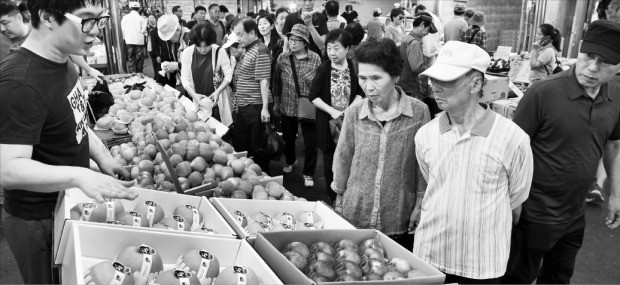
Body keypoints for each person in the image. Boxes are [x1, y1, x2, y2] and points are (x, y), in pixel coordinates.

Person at [0, 1, 138, 283]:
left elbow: (77, 125)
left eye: (100, 21)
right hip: (38, 220)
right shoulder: (20, 82)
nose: (96, 32)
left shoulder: (64, 62)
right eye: (87, 21)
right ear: (48, 18)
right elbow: (8, 169)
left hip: (67, 205)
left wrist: (104, 159)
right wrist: (79, 175)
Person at [501, 20, 620, 284]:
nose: (592, 67)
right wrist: (509, 206)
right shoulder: (542, 94)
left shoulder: (616, 96)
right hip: (533, 213)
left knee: (559, 277)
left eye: (605, 62)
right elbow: (508, 152)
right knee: (517, 278)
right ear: (579, 50)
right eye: (588, 56)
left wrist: (615, 195)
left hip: (574, 215)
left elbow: (613, 144)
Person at [413, 41, 533, 284]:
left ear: (476, 83)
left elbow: (516, 199)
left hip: (482, 263)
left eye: (446, 81)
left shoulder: (512, 138)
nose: (435, 87)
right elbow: (433, 183)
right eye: (433, 79)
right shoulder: (425, 135)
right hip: (430, 256)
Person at [332, 38, 429, 250]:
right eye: (363, 78)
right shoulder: (354, 113)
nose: (368, 86)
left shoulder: (419, 112)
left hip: (398, 214)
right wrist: (338, 201)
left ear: (395, 76)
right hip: (356, 210)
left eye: (376, 77)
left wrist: (420, 202)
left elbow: (423, 165)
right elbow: (343, 157)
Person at [310, 29, 364, 204]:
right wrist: (332, 111)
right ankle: (333, 198)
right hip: (328, 124)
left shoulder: (354, 66)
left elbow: (360, 92)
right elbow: (313, 96)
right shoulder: (324, 68)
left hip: (350, 122)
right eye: (329, 48)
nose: (331, 53)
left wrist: (351, 107)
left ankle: (348, 195)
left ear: (347, 48)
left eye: (336, 48)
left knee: (350, 158)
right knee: (330, 162)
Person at [0, 0, 104, 84]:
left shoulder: (61, 51)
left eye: (99, 19)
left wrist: (89, 70)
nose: (96, 31)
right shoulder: (17, 84)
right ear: (48, 18)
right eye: (85, 19)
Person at [273, 24, 322, 187]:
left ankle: (308, 173)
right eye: (291, 39)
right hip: (287, 104)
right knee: (288, 137)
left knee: (310, 142)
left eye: (297, 40)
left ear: (305, 42)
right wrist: (277, 102)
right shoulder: (283, 58)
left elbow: (320, 84)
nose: (293, 43)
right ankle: (290, 160)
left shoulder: (315, 58)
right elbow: (276, 82)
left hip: (308, 106)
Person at [231, 18, 272, 172]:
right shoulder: (249, 48)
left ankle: (263, 175)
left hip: (255, 106)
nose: (238, 38)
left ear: (252, 32)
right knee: (243, 142)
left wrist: (265, 108)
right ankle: (248, 171)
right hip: (243, 105)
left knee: (259, 144)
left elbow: (264, 81)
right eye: (236, 35)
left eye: (240, 34)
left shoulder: (260, 50)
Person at [181, 22, 233, 123]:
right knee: (201, 128)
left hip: (217, 99)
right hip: (198, 98)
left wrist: (218, 92)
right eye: (199, 46)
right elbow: (185, 78)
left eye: (207, 46)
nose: (203, 50)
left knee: (219, 126)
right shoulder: (187, 53)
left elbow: (228, 75)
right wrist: (194, 95)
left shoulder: (219, 52)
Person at [397, 13, 436, 104]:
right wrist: (431, 68)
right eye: (428, 30)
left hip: (404, 83)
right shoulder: (414, 43)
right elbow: (417, 67)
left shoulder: (407, 38)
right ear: (422, 25)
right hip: (412, 87)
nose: (427, 34)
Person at [154, 14, 186, 87]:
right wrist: (172, 66)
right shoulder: (175, 41)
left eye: (170, 36)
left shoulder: (190, 39)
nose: (169, 39)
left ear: (177, 30)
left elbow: (195, 63)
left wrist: (177, 65)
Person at [121, 2, 147, 73]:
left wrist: (125, 37)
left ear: (130, 8)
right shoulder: (142, 18)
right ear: (139, 9)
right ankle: (139, 73)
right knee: (139, 58)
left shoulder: (125, 18)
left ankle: (132, 74)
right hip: (139, 40)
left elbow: (123, 29)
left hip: (129, 40)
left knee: (131, 57)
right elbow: (144, 31)